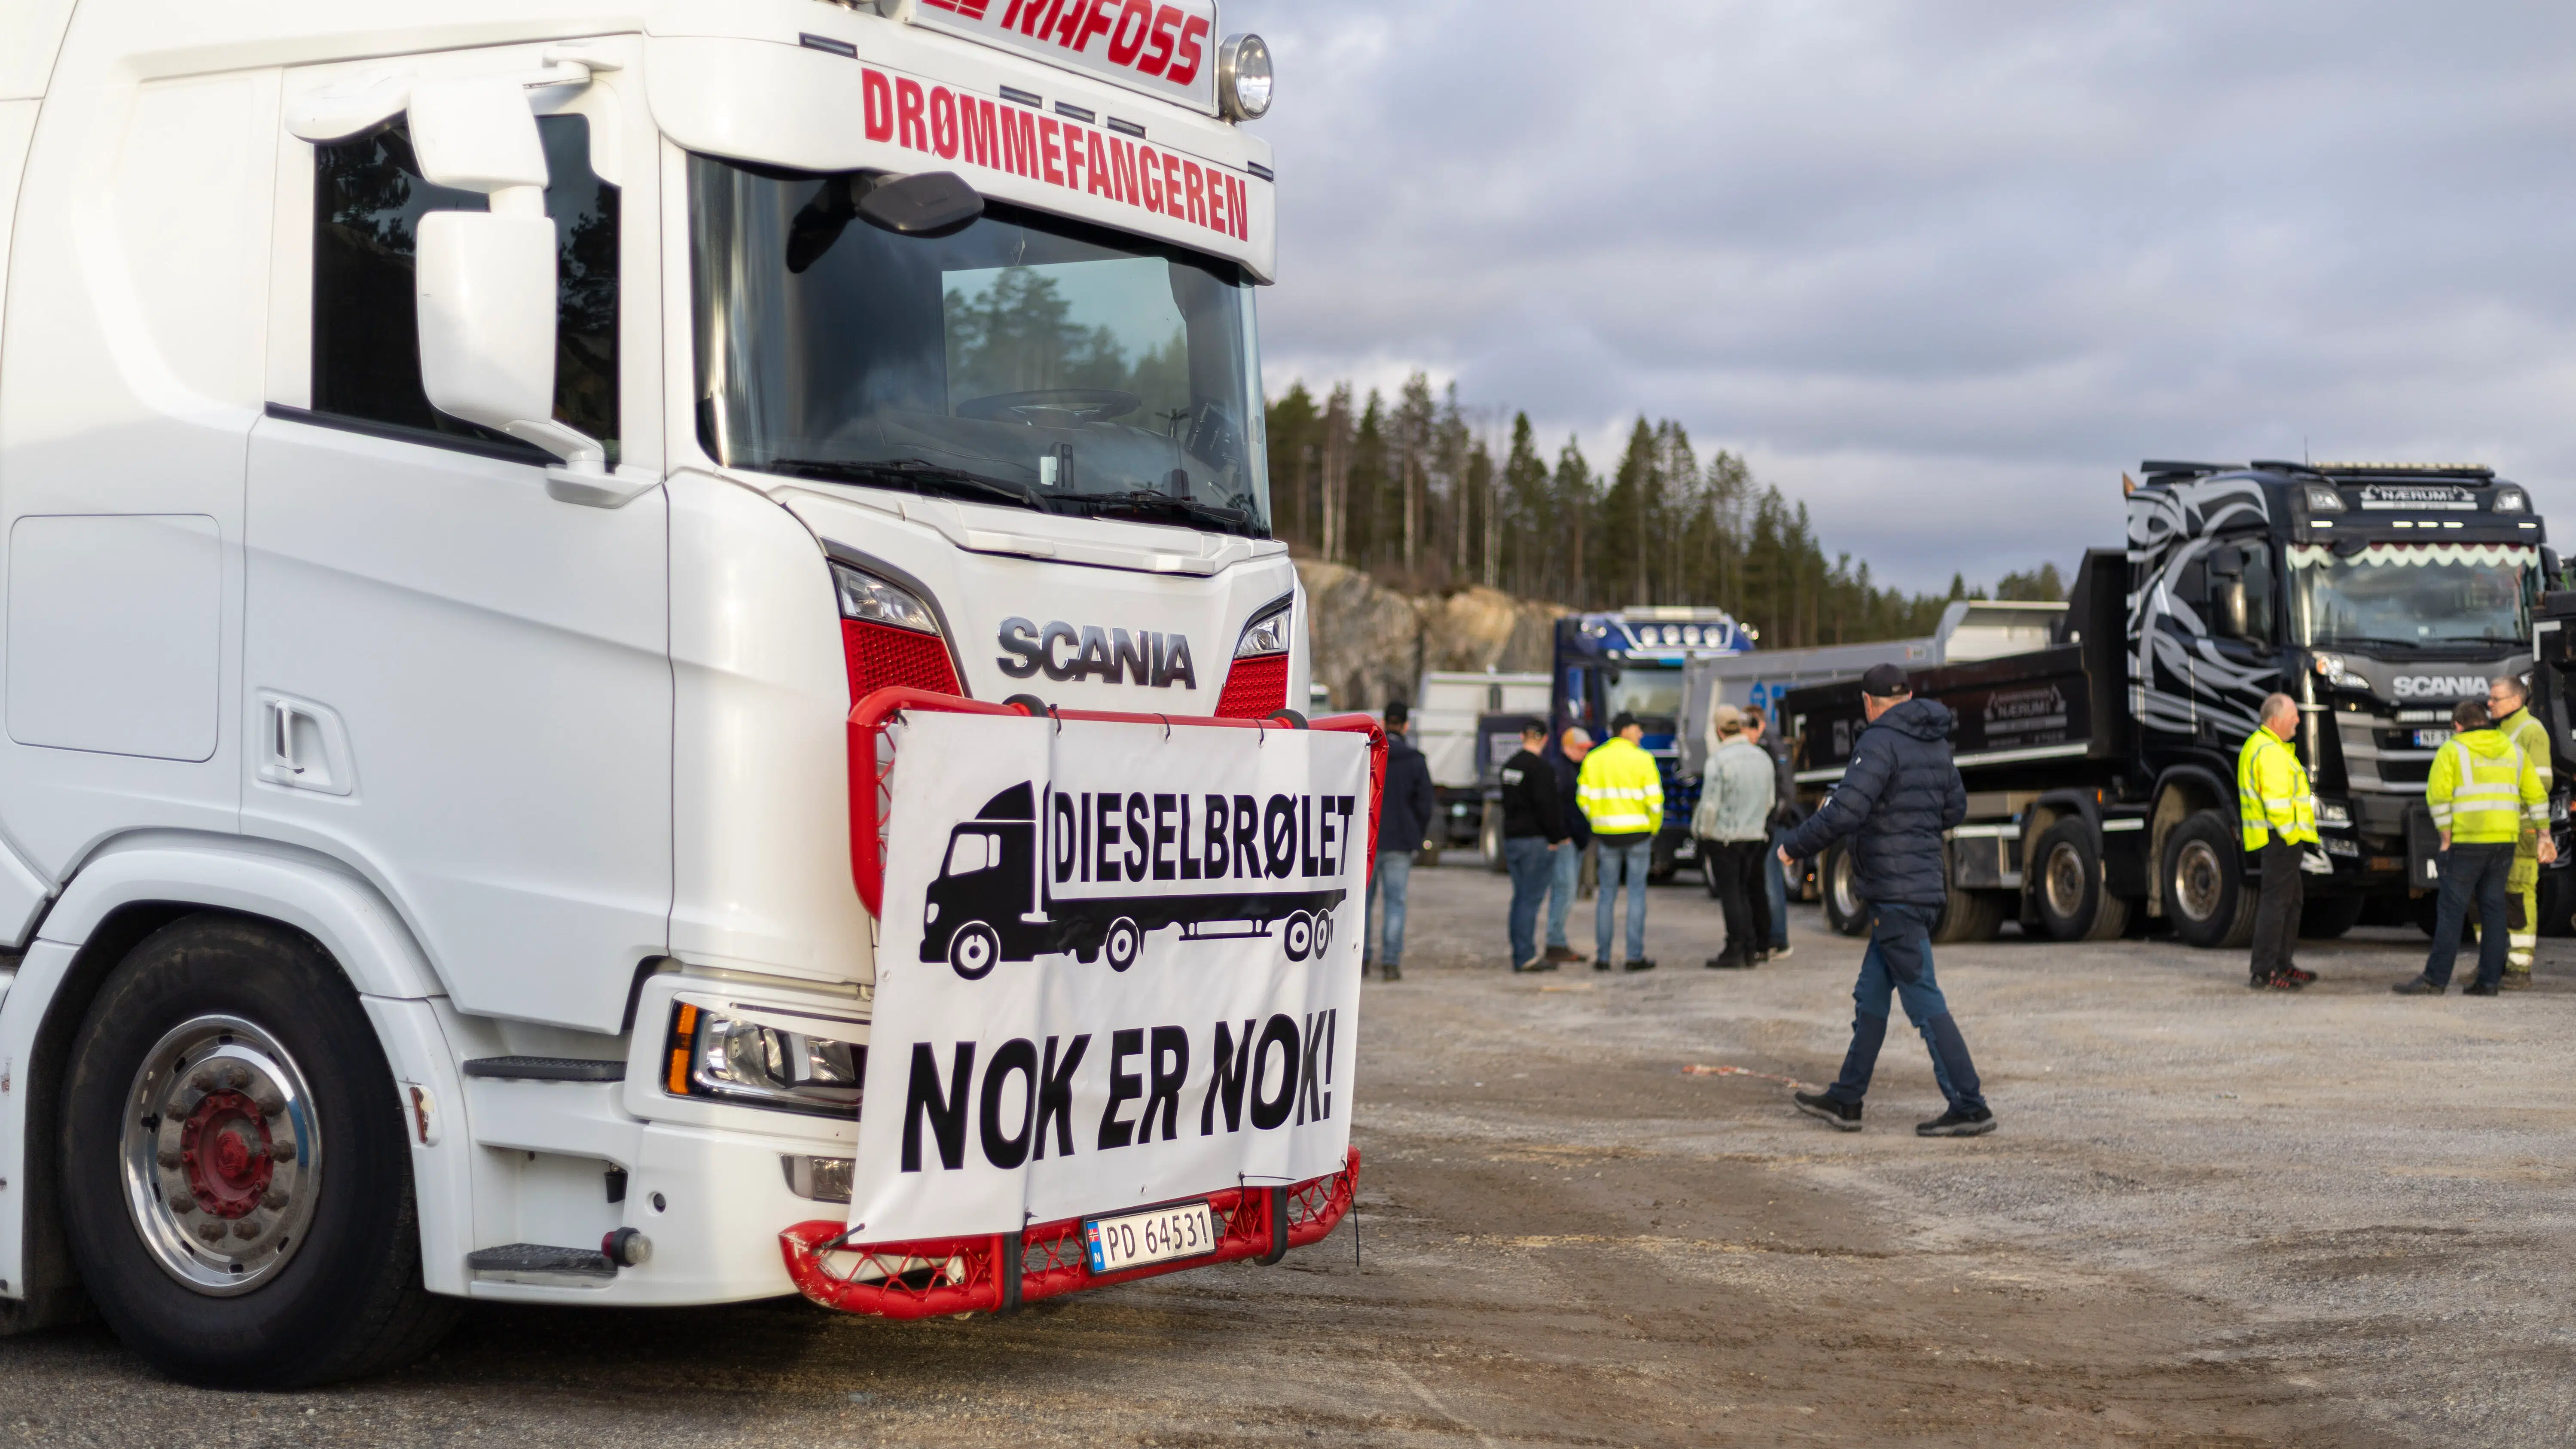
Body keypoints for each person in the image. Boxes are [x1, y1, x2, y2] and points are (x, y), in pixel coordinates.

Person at [1778, 664, 1994, 1137]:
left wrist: (1793, 845)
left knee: (1922, 998)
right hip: (1915, 886)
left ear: (1867, 702)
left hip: (1895, 891)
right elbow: (1953, 808)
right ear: (1910, 695)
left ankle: (1969, 1103)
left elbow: (1848, 809)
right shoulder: (1932, 741)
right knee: (1871, 995)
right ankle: (1846, 1098)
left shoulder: (1877, 742)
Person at [2394, 698, 2549, 997]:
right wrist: (2544, 835)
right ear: (2486, 721)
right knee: (2494, 908)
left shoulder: (2452, 750)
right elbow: (2537, 796)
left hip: (2467, 842)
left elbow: (2438, 799)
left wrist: (2446, 839)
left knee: (2451, 911)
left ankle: (2435, 980)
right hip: (2504, 841)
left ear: (2457, 726)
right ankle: (2489, 982)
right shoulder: (2513, 751)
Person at [2237, 692, 2317, 991]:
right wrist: (2291, 833)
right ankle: (2264, 970)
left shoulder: (2272, 747)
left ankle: (2281, 964)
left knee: (2290, 901)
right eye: (2293, 715)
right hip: (2281, 838)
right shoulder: (2269, 751)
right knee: (2277, 903)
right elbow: (2277, 801)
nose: (2298, 719)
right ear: (2275, 720)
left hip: (2282, 838)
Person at [1577, 712, 1662, 971]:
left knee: (1607, 897)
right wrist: (1654, 829)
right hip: (1639, 835)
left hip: (1607, 837)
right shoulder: (1644, 759)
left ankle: (1603, 958)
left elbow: (1584, 799)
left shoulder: (1594, 759)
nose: (1641, 735)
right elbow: (1655, 802)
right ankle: (1634, 957)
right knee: (1636, 896)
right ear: (1625, 730)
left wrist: (1598, 822)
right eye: (1638, 729)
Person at [1693, 704, 1775, 969]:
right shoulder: (1762, 758)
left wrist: (1703, 833)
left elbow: (1709, 806)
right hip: (1754, 835)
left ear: (1719, 731)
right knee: (1745, 890)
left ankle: (1735, 948)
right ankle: (1751, 948)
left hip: (1725, 837)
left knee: (1730, 893)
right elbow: (1770, 801)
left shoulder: (1718, 761)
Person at [2488, 673, 2555, 989]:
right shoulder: (2501, 730)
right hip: (2500, 826)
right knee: (2492, 895)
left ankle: (2519, 968)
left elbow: (2542, 783)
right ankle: (2494, 962)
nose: (2489, 703)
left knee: (2518, 892)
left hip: (2524, 827)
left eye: (2495, 698)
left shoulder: (2531, 731)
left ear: (2516, 701)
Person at [1367, 700, 1436, 982]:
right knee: (1396, 903)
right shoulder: (1416, 760)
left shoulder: (1369, 754)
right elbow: (1425, 804)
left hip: (1368, 840)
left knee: (1363, 904)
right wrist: (1415, 834)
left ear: (1384, 723)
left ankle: (1360, 959)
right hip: (1400, 841)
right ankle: (1391, 963)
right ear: (1406, 725)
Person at [1498, 721, 1566, 973]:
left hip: (1513, 839)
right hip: (1534, 841)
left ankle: (1520, 952)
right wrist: (1557, 837)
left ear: (1521, 736)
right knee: (1529, 900)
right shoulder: (1541, 770)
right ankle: (1525, 956)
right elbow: (1548, 808)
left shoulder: (1509, 767)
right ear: (1545, 739)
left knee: (1520, 899)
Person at [1746, 705, 1795, 961]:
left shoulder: (1772, 746)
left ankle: (1779, 938)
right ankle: (1766, 937)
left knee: (1770, 880)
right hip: (1760, 824)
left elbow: (1786, 789)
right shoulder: (1763, 746)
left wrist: (1773, 820)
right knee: (1762, 880)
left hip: (1772, 826)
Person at [1540, 727, 1593, 964]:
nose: (1585, 753)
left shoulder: (1577, 769)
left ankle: (1558, 941)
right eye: (1581, 748)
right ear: (1567, 747)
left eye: (1586, 749)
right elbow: (1554, 808)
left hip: (1575, 839)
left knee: (1567, 892)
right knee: (1565, 890)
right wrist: (1562, 836)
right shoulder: (1560, 771)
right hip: (1566, 841)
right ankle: (1555, 943)